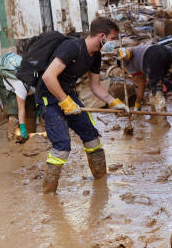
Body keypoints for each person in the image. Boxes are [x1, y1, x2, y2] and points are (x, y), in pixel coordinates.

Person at [39, 17, 128, 194]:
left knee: (91, 136)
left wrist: (114, 102)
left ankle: (101, 184)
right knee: (62, 145)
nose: (113, 44)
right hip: (48, 96)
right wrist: (64, 102)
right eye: (112, 39)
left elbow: (95, 86)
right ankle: (49, 194)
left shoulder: (96, 56)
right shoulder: (72, 47)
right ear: (102, 36)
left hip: (68, 94)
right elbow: (48, 77)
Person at [117, 44, 172, 114]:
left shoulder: (126, 64)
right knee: (157, 83)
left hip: (151, 56)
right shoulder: (137, 54)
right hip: (166, 52)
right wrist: (137, 105)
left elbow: (130, 50)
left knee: (155, 90)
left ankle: (161, 119)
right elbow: (142, 85)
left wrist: (125, 54)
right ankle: (158, 114)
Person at [0, 51, 36, 142]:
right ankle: (12, 140)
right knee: (15, 112)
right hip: (4, 85)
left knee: (32, 109)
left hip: (21, 85)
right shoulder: (21, 85)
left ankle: (29, 138)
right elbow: (21, 108)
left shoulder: (35, 78)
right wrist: (22, 127)